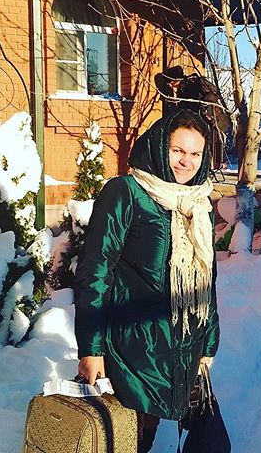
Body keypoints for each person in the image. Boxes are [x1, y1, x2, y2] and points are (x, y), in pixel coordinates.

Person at [74, 109, 220, 453]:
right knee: (126, 438)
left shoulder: (199, 204)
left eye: (195, 153)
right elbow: (95, 271)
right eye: (177, 150)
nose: (186, 162)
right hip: (130, 347)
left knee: (159, 436)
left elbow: (206, 279)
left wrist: (208, 343)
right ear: (159, 147)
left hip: (181, 345)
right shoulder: (127, 193)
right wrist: (91, 348)